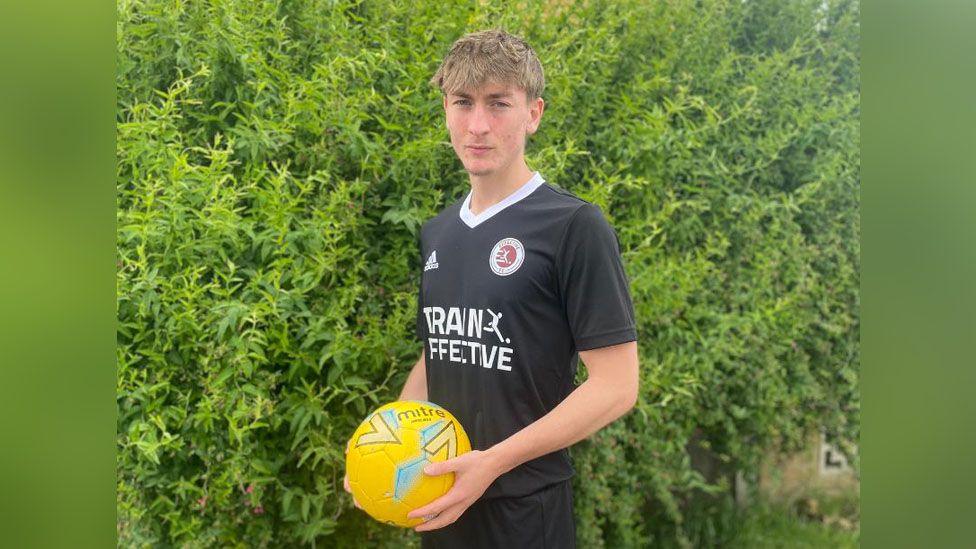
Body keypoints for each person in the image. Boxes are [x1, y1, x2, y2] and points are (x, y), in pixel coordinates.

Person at [346, 29, 639, 548]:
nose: (477, 125)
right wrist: (379, 446)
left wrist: (493, 463)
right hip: (440, 506)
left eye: (498, 104)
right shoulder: (439, 232)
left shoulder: (573, 226)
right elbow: (437, 354)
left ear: (534, 113)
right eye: (463, 103)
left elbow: (616, 386)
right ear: (445, 110)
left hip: (526, 513)